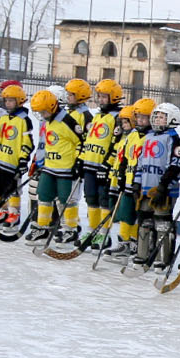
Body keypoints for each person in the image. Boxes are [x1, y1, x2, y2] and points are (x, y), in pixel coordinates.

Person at [128, 103, 180, 271]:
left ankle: (163, 258)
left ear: (172, 120)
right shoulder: (148, 137)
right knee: (144, 221)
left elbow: (175, 166)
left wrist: (163, 186)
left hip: (164, 191)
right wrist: (137, 183)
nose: (156, 120)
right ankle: (143, 254)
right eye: (156, 116)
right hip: (146, 188)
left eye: (162, 117)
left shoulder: (173, 139)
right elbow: (140, 162)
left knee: (162, 223)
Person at [27, 85, 86, 252]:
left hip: (66, 170)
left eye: (44, 111)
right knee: (44, 196)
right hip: (49, 167)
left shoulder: (67, 122)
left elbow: (81, 142)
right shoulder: (49, 120)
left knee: (66, 201)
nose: (42, 115)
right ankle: (42, 227)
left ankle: (70, 230)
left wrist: (78, 162)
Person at [100, 99, 153, 259]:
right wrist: (122, 175)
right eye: (138, 117)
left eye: (144, 118)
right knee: (125, 214)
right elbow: (124, 158)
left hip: (141, 184)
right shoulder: (132, 135)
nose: (141, 121)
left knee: (138, 215)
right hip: (128, 181)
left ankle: (135, 243)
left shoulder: (150, 137)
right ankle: (123, 244)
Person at [77, 79, 125, 250]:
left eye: (104, 97)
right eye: (99, 96)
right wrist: (81, 160)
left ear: (114, 97)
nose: (101, 100)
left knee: (103, 199)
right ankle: (92, 231)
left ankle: (104, 234)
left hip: (103, 167)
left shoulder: (117, 117)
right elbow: (90, 139)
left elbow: (116, 143)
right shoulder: (98, 115)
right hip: (90, 164)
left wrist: (107, 164)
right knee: (90, 198)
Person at [0, 83, 36, 234]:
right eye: (6, 101)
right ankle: (2, 211)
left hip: (11, 162)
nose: (8, 104)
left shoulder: (24, 120)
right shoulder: (4, 118)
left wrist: (23, 160)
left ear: (19, 101)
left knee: (12, 190)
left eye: (11, 100)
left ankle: (14, 214)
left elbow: (28, 143)